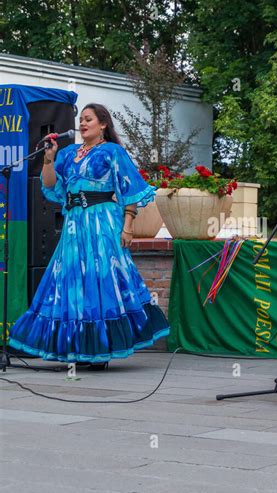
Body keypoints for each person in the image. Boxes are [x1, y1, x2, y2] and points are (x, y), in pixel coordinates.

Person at [8, 103, 169, 369]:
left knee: (100, 281)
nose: (82, 124)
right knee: (70, 281)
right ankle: (79, 346)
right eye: (81, 120)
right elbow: (50, 185)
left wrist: (128, 225)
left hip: (102, 220)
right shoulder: (69, 153)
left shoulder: (112, 152)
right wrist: (49, 159)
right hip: (74, 223)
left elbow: (129, 189)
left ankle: (101, 348)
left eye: (88, 119)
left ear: (103, 124)